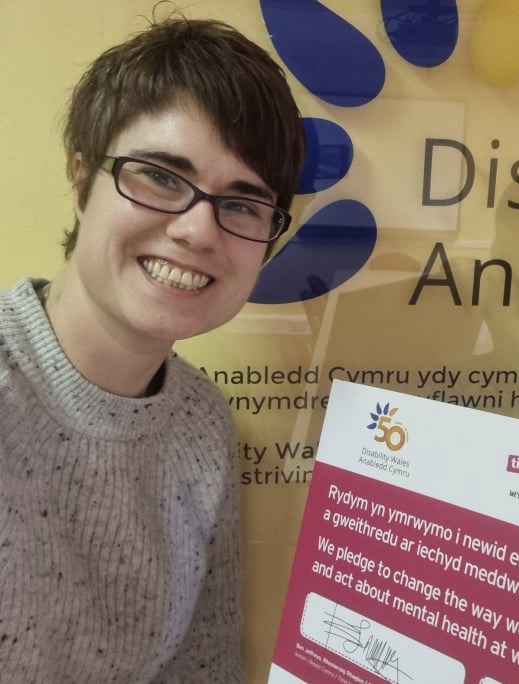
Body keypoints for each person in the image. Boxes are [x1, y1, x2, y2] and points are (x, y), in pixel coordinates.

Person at [0, 15, 305, 682]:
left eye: (244, 204)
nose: (199, 231)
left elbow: (202, 665)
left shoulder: (201, 423)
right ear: (82, 179)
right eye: (162, 177)